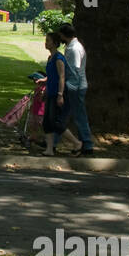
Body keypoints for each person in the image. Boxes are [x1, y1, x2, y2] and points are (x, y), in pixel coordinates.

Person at [58, 23, 95, 156]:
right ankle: (53, 141)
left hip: (75, 87)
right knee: (62, 115)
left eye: (60, 35)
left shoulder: (74, 49)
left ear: (64, 35)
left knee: (79, 116)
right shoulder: (72, 46)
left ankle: (87, 143)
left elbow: (75, 71)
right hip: (74, 86)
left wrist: (68, 87)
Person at [40, 32, 74, 156]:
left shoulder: (59, 58)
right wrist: (44, 82)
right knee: (47, 123)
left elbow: (61, 77)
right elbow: (51, 76)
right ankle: (49, 149)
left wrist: (60, 95)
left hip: (58, 94)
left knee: (55, 123)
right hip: (51, 93)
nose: (46, 42)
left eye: (48, 41)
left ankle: (76, 143)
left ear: (54, 43)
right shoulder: (50, 58)